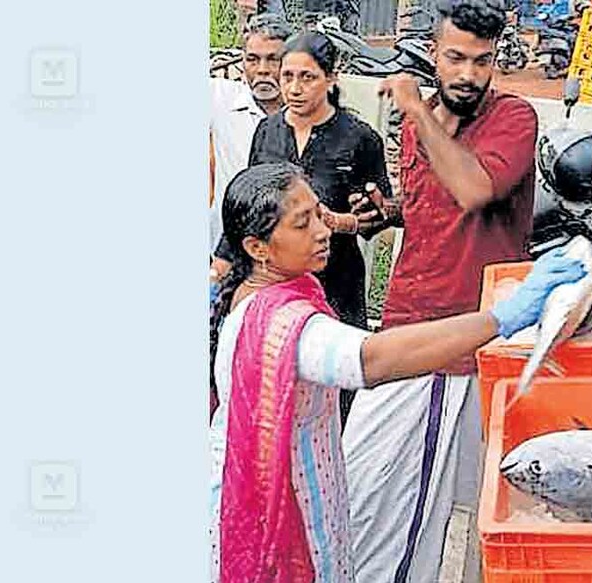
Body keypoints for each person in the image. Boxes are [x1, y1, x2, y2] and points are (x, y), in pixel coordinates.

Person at [208, 162, 584, 583]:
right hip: (285, 506)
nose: (322, 230)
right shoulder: (284, 325)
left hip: (274, 483)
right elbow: (373, 358)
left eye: (318, 212)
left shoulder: (253, 293)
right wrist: (499, 319)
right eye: (302, 224)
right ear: (257, 248)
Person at [340, 1, 539, 580]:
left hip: (460, 347)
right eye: (455, 58)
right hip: (407, 325)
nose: (468, 74)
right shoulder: (422, 118)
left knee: (420, 507)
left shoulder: (514, 118)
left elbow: (475, 189)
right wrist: (389, 213)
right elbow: (439, 204)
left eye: (482, 60)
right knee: (372, 498)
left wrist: (415, 113)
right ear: (434, 53)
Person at [216, 31, 393, 426]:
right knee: (270, 397)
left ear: (332, 78)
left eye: (307, 77)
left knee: (333, 393)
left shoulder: (359, 139)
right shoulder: (268, 131)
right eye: (288, 76)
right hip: (273, 281)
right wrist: (221, 267)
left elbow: (381, 215)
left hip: (335, 281)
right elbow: (250, 205)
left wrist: (343, 222)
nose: (294, 89)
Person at [210, 12, 292, 266]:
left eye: (273, 60)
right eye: (252, 59)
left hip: (287, 256)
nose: (262, 70)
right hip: (225, 255)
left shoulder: (307, 114)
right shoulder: (220, 99)